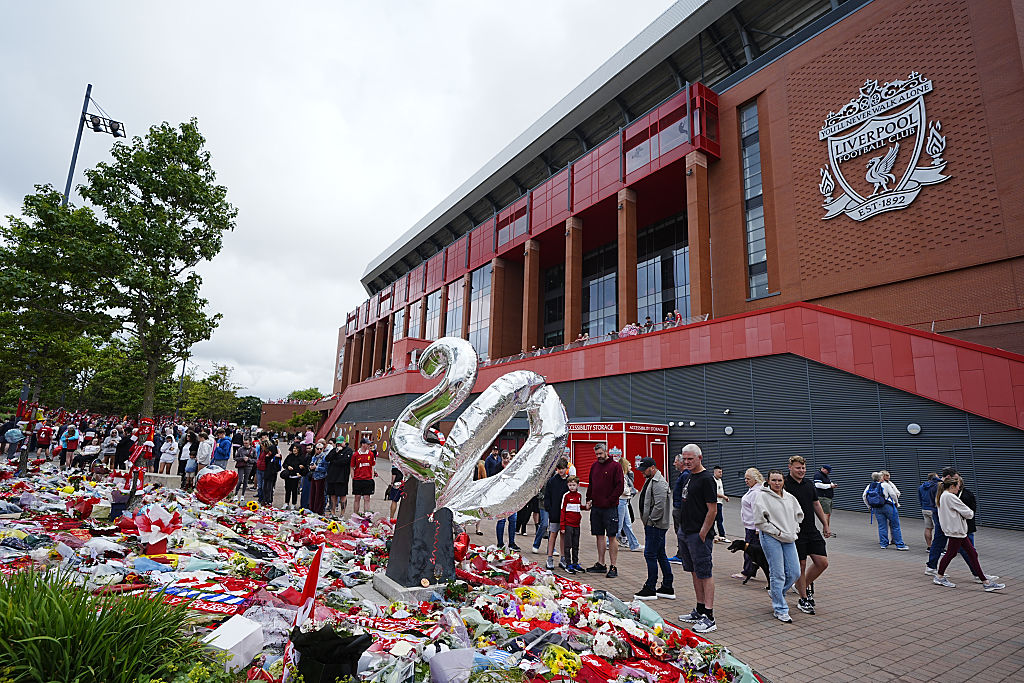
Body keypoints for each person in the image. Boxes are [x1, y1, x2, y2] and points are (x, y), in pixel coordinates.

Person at [675, 444, 719, 634]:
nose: (686, 462)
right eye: (684, 459)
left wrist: (703, 532)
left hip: (698, 534)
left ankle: (709, 616)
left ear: (699, 458)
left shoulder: (707, 479)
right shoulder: (689, 476)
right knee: (694, 571)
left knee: (704, 573)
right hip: (686, 532)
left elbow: (713, 509)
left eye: (690, 459)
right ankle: (699, 608)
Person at [933, 477, 1004, 591]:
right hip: (957, 530)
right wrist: (969, 513)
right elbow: (967, 512)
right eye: (957, 487)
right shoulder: (950, 496)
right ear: (952, 486)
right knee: (957, 554)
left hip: (955, 530)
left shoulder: (943, 496)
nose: (959, 489)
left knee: (969, 554)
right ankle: (984, 582)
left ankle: (984, 581)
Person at [753, 469, 804, 623]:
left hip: (789, 538)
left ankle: (776, 593)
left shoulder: (790, 498)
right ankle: (780, 609)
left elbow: (799, 515)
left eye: (779, 480)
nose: (777, 483)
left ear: (783, 481)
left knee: (795, 572)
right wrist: (777, 532)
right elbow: (760, 521)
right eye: (773, 480)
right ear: (768, 481)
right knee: (778, 573)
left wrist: (795, 530)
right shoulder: (762, 496)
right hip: (771, 537)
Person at [784, 455, 830, 616]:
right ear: (790, 467)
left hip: (811, 529)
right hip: (795, 531)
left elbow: (816, 504)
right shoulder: (783, 484)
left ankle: (800, 586)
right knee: (801, 565)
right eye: (798, 468)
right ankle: (803, 598)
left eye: (803, 468)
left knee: (822, 562)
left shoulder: (809, 484)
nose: (801, 471)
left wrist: (825, 524)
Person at [634, 457, 674, 600]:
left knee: (650, 554)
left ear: (652, 468)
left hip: (656, 525)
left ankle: (650, 587)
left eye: (644, 470)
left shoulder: (659, 483)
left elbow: (659, 505)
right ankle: (667, 586)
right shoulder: (651, 479)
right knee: (660, 554)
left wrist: (651, 521)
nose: (642, 473)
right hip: (653, 525)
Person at [585, 442, 623, 578]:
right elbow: (591, 484)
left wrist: (609, 501)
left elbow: (619, 487)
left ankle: (613, 566)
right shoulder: (594, 466)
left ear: (606, 452)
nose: (599, 456)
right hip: (596, 508)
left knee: (612, 537)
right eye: (596, 454)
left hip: (610, 508)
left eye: (601, 453)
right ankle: (601, 564)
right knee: (599, 535)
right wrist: (588, 498)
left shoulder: (616, 466)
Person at [733, 467, 765, 581]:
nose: (746, 480)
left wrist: (757, 528)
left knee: (749, 550)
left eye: (748, 478)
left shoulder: (756, 492)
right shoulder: (753, 490)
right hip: (750, 526)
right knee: (754, 550)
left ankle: (747, 572)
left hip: (753, 527)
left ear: (755, 479)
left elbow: (758, 511)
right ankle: (750, 570)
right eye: (745, 478)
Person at [862, 472, 908, 550]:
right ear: (880, 478)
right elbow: (893, 494)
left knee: (882, 526)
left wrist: (869, 506)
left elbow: (864, 496)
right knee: (895, 525)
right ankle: (900, 545)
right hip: (887, 506)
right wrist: (896, 502)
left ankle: (883, 544)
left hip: (876, 508)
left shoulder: (869, 486)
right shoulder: (885, 485)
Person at [542, 458, 570, 570]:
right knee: (552, 535)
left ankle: (563, 558)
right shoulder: (552, 481)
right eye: (559, 469)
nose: (561, 471)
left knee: (563, 535)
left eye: (563, 469)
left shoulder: (569, 481)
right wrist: (549, 508)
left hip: (566, 514)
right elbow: (547, 496)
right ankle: (549, 557)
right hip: (554, 513)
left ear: (567, 469)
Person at [616, 452, 642, 552]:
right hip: (621, 500)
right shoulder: (620, 475)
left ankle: (634, 544)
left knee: (627, 524)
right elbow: (623, 489)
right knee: (620, 524)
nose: (631, 467)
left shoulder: (625, 475)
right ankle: (610, 542)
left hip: (624, 501)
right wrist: (632, 491)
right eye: (629, 465)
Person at [493, 450, 519, 550]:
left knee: (513, 520)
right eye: (505, 459)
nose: (507, 461)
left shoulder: (513, 467)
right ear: (501, 459)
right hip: (501, 497)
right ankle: (500, 543)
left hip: (511, 497)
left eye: (508, 459)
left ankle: (512, 543)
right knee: (501, 520)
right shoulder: (497, 468)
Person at [669, 452, 691, 563]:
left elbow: (685, 493)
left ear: (681, 462)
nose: (674, 464)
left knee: (681, 532)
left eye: (676, 461)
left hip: (680, 509)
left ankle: (682, 555)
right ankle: (682, 554)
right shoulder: (683, 474)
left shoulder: (685, 475)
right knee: (680, 531)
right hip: (678, 507)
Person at [559, 475, 583, 573]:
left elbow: (579, 507)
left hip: (577, 525)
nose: (572, 487)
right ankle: (568, 564)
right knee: (567, 545)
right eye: (570, 485)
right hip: (568, 525)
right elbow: (563, 511)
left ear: (578, 485)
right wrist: (562, 526)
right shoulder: (566, 496)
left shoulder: (579, 496)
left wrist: (586, 507)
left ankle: (575, 563)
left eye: (574, 485)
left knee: (576, 545)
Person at [351, 438, 378, 516]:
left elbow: (372, 465)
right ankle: (355, 515)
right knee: (357, 497)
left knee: (367, 498)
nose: (369, 445)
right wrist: (353, 477)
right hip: (358, 479)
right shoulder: (356, 454)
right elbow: (352, 467)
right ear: (363, 444)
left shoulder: (371, 454)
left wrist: (372, 476)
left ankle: (367, 516)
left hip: (368, 479)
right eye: (368, 444)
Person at [325, 437, 352, 517]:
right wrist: (336, 452)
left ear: (344, 442)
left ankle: (342, 513)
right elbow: (327, 458)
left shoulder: (348, 451)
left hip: (342, 477)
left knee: (342, 495)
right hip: (332, 476)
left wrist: (334, 461)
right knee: (332, 495)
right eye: (338, 443)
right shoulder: (334, 450)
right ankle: (332, 512)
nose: (339, 444)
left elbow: (344, 461)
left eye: (341, 443)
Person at [918, 472, 940, 549]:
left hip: (925, 509)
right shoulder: (936, 486)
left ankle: (929, 546)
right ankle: (937, 547)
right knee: (938, 529)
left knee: (928, 528)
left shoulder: (921, 487)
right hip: (933, 510)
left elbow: (920, 499)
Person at [813, 464, 837, 530]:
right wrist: (830, 486)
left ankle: (826, 529)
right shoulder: (818, 475)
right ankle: (826, 530)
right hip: (823, 497)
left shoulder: (824, 475)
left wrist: (832, 484)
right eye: (828, 471)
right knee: (826, 514)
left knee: (828, 514)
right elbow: (817, 485)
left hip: (827, 497)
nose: (829, 473)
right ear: (823, 469)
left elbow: (827, 483)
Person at [281, 443, 304, 510]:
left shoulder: (301, 457)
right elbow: (284, 464)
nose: (295, 450)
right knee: (287, 490)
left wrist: (301, 469)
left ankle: (293, 504)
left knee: (294, 490)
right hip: (289, 475)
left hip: (296, 476)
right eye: (294, 448)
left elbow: (303, 466)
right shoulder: (290, 456)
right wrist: (288, 466)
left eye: (296, 449)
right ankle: (286, 503)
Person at [309, 441, 329, 514]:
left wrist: (316, 467)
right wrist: (311, 467)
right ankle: (312, 509)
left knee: (319, 495)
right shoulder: (313, 457)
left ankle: (319, 510)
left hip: (321, 478)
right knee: (313, 494)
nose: (319, 450)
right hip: (314, 477)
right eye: (318, 449)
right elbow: (311, 465)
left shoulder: (324, 457)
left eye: (321, 449)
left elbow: (326, 469)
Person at [712, 465, 730, 542]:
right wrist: (724, 497)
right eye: (719, 472)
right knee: (717, 520)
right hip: (715, 503)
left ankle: (716, 535)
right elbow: (714, 492)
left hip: (720, 503)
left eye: (721, 472)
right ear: (715, 472)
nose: (721, 473)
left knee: (718, 520)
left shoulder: (720, 480)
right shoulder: (713, 481)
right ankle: (721, 535)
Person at [261, 442, 282, 506]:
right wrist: (267, 457)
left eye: (270, 451)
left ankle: (269, 500)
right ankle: (264, 499)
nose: (269, 452)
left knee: (269, 488)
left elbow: (277, 467)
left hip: (272, 475)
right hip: (267, 474)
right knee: (264, 487)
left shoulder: (276, 457)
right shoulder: (268, 457)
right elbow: (266, 464)